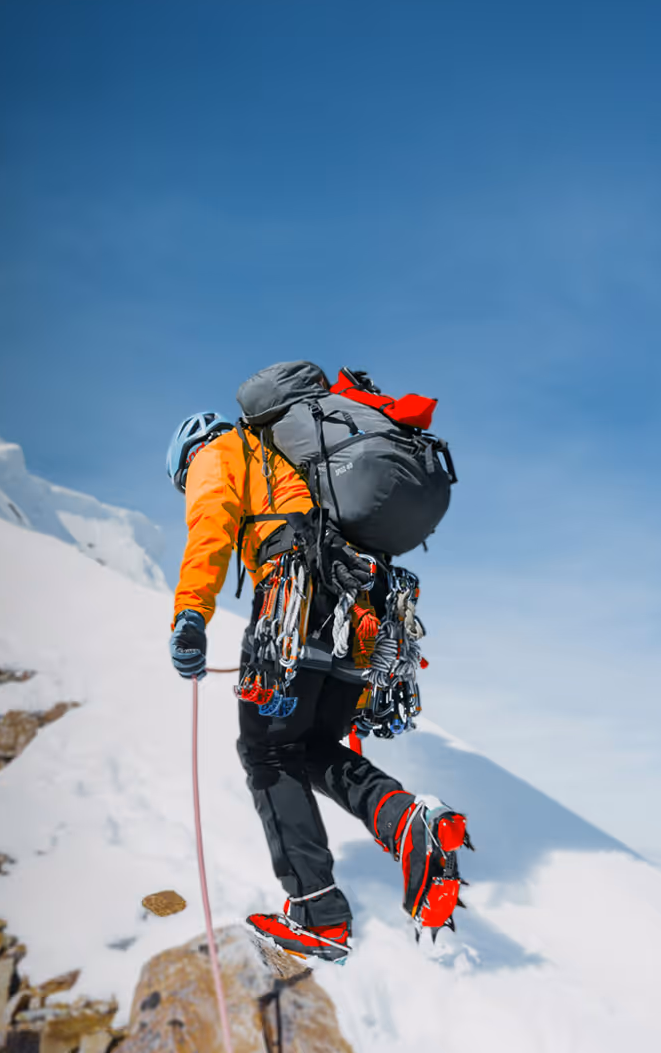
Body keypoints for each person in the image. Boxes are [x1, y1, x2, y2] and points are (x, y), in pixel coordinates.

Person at [164, 405, 469, 963]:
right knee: (307, 747)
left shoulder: (221, 451)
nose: (189, 485)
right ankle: (407, 819)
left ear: (190, 452)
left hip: (294, 598)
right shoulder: (292, 458)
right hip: (363, 608)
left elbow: (211, 521)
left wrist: (190, 615)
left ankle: (318, 913)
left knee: (268, 753)